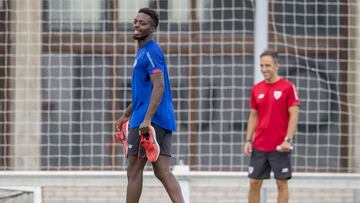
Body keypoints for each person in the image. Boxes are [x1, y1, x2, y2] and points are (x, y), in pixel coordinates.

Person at [116, 8, 185, 203]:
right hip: (158, 118)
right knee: (162, 171)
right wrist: (126, 114)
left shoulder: (151, 51)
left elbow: (159, 86)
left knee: (133, 171)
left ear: (152, 29)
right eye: (136, 21)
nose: (137, 25)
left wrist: (146, 119)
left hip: (148, 121)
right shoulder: (143, 53)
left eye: (143, 23)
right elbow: (143, 93)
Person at [243, 49, 300, 203]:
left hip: (280, 146)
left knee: (281, 183)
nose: (263, 69)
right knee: (254, 183)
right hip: (260, 145)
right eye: (261, 66)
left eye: (267, 65)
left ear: (276, 66)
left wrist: (288, 139)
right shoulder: (256, 88)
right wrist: (248, 140)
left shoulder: (288, 87)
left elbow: (294, 114)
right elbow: (253, 115)